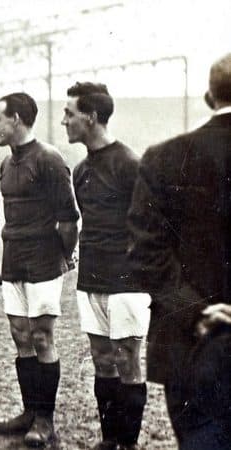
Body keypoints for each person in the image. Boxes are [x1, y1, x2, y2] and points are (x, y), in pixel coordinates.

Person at [128, 54, 231, 449]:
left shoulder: (164, 158)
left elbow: (145, 254)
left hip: (191, 345)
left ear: (209, 97)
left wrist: (198, 311)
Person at [62, 82, 150, 450]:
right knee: (101, 359)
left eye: (69, 114)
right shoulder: (80, 170)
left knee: (126, 358)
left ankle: (127, 443)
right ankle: (110, 438)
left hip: (127, 279)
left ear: (91, 117)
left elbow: (153, 224)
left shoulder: (130, 164)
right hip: (92, 276)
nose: (64, 121)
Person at [0, 93, 79, 447]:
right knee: (19, 333)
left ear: (16, 119)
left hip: (43, 259)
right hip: (13, 259)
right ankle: (29, 411)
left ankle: (45, 419)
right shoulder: (6, 164)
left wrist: (63, 255)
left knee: (42, 336)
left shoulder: (49, 159)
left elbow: (69, 219)